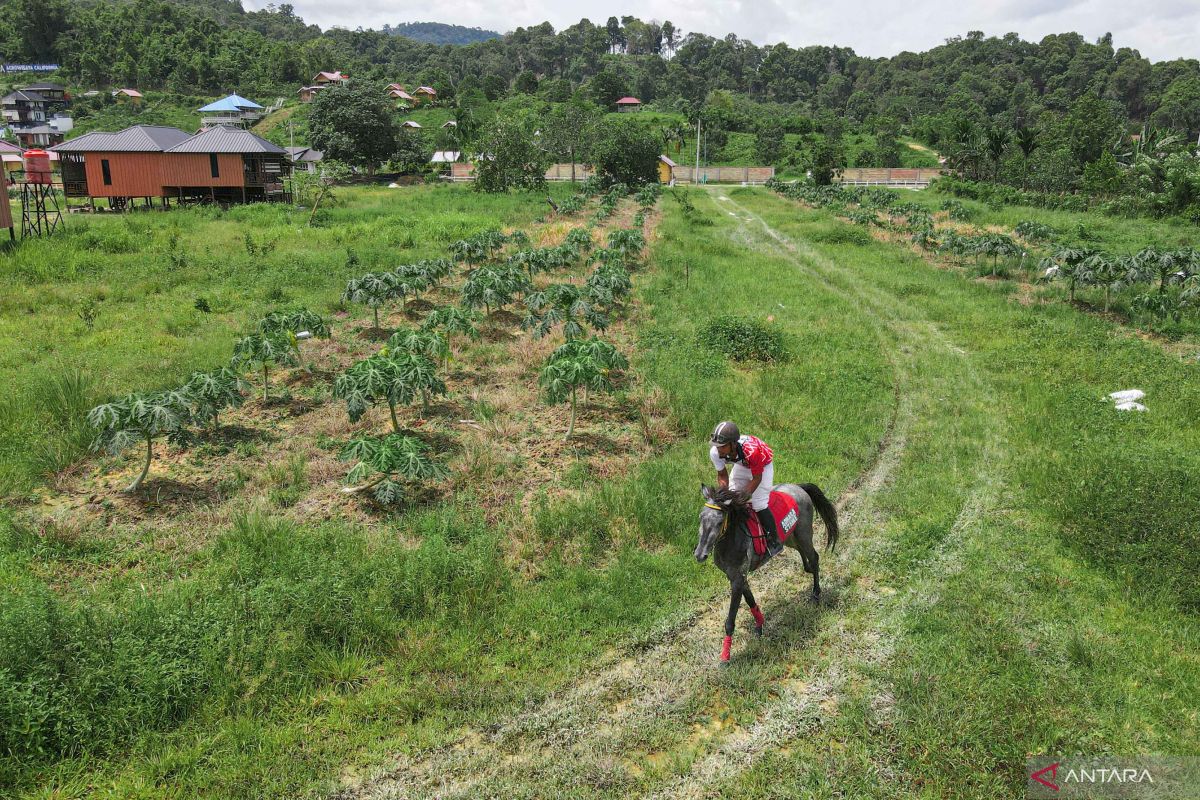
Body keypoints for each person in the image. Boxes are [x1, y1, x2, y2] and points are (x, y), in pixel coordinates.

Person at [709, 421, 783, 557]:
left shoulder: (752, 452)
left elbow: (756, 478)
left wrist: (742, 497)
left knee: (758, 503)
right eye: (717, 447)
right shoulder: (715, 452)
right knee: (730, 497)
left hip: (762, 466)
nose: (719, 450)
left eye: (722, 447)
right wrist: (724, 494)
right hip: (742, 465)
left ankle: (775, 540)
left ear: (733, 444)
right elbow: (722, 475)